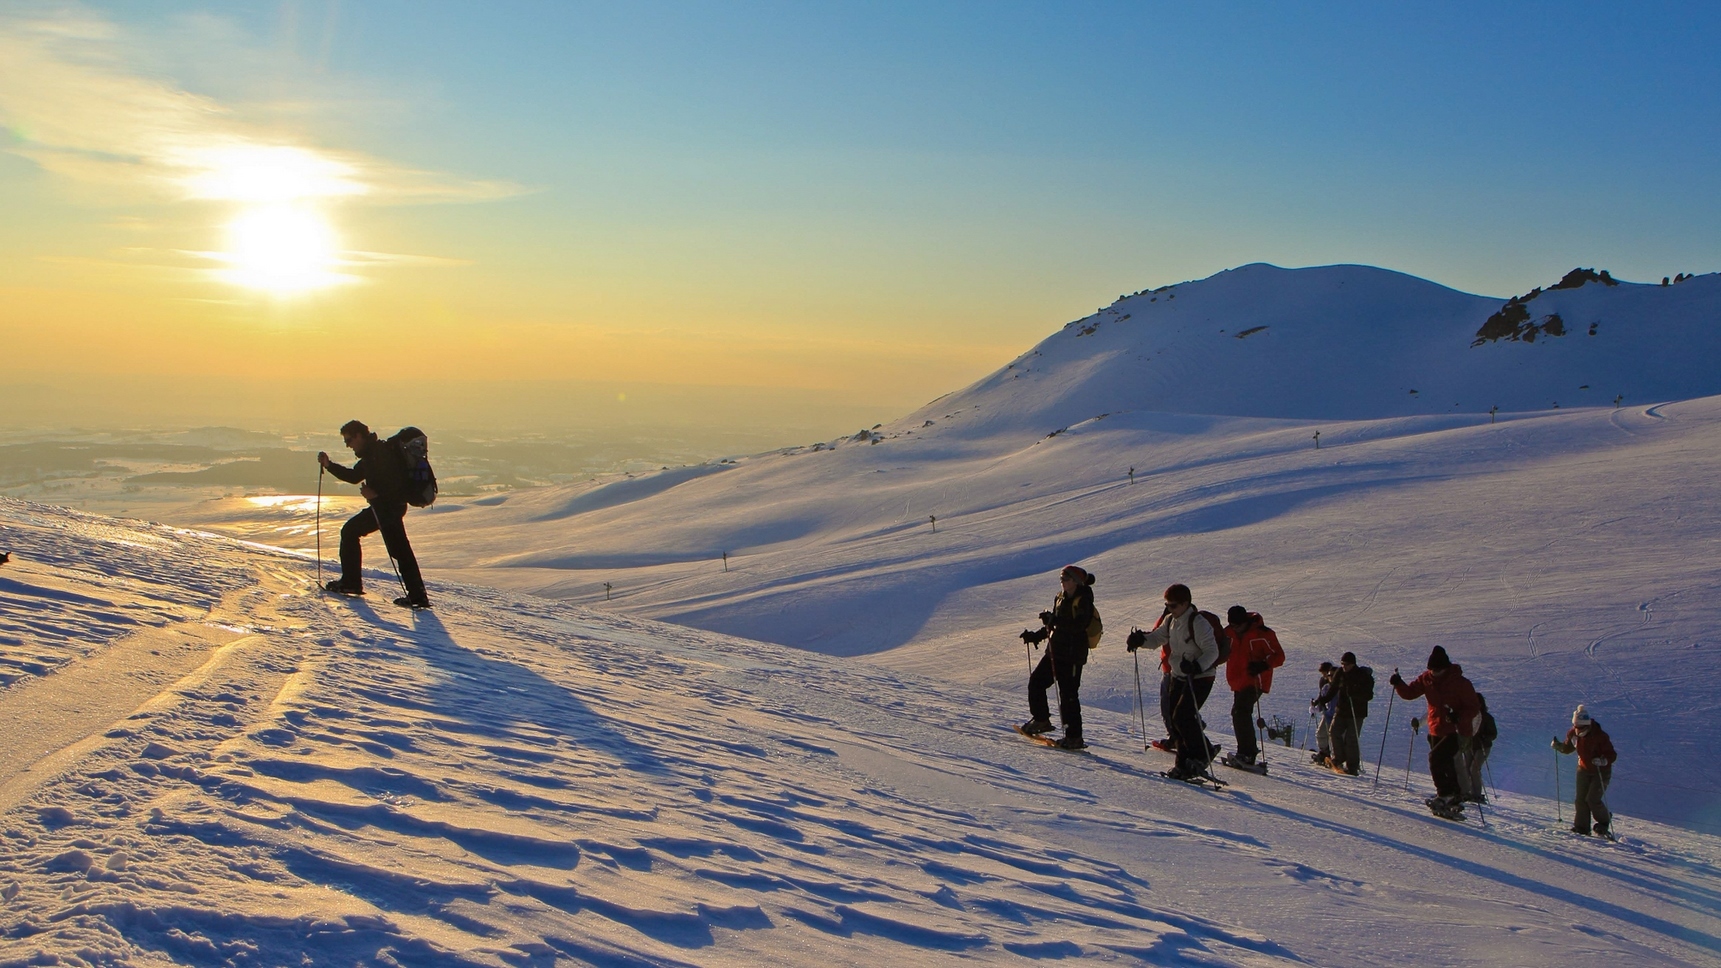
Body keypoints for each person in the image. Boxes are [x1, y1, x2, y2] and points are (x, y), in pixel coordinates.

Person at [318, 420, 431, 609]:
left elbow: (395, 485)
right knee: (398, 550)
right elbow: (355, 476)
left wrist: (375, 496)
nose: (348, 445)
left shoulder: (379, 455)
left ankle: (352, 583)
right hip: (387, 507)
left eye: (349, 440)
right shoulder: (374, 454)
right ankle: (417, 596)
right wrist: (329, 465)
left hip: (387, 508)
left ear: (359, 436)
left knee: (354, 533)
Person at [1127, 584, 1219, 780]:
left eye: (1174, 605)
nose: (1169, 609)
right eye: (1167, 605)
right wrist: (1140, 640)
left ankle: (1203, 753)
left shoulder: (1198, 623)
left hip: (1200, 677)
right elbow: (1157, 638)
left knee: (1183, 716)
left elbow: (1213, 651)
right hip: (1178, 675)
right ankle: (1184, 763)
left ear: (1186, 603)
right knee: (1174, 718)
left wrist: (1197, 666)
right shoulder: (1170, 620)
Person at [1390, 646, 1480, 815]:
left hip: (1457, 730)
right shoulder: (1427, 679)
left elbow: (1474, 707)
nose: (1434, 673)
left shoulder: (1460, 683)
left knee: (1435, 758)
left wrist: (1458, 716)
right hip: (1436, 729)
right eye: (1431, 670)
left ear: (1446, 668)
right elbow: (1410, 693)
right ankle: (1454, 796)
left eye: (1437, 670)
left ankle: (1444, 794)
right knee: (1446, 763)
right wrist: (1398, 683)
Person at [1019, 565, 1096, 750]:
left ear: (1075, 582)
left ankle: (1074, 737)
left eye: (1066, 579)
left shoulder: (1084, 599)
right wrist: (1037, 635)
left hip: (1072, 655)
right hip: (1055, 650)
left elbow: (1078, 626)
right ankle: (1041, 719)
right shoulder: (1060, 597)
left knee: (1068, 695)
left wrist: (1053, 620)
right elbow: (1056, 625)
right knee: (1036, 682)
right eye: (1061, 579)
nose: (1062, 582)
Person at [1222, 606, 1285, 768]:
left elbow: (1279, 656)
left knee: (1240, 711)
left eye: (1238, 625)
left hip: (1256, 680)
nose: (1235, 628)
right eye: (1232, 625)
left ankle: (1248, 753)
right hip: (1237, 680)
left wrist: (1263, 664)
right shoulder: (1228, 632)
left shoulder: (1263, 633)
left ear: (1245, 621)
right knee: (1238, 712)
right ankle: (1244, 752)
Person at [1553, 704, 1616, 837]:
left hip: (1601, 771)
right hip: (1583, 769)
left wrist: (1603, 760)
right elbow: (1567, 748)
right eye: (1576, 726)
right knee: (1580, 799)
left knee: (1592, 799)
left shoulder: (1600, 736)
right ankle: (1581, 827)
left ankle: (1604, 822)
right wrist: (1557, 746)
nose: (1577, 730)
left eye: (1580, 727)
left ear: (1587, 725)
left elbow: (1611, 755)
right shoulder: (1573, 733)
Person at [1329, 652, 1375, 776]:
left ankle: (1352, 766)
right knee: (1334, 731)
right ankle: (1338, 758)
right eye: (1342, 664)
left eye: (1346, 664)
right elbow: (1333, 689)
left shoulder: (1362, 676)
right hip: (1341, 710)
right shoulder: (1340, 673)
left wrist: (1354, 694)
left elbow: (1369, 695)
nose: (1344, 667)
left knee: (1351, 739)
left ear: (1353, 664)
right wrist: (1321, 700)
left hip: (1357, 712)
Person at [1458, 694, 1498, 802]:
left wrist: (1485, 737)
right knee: (1466, 768)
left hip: (1482, 746)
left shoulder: (1487, 718)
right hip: (1470, 745)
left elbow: (1493, 734)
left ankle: (1476, 794)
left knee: (1474, 769)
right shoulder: (1468, 716)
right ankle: (1467, 792)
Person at [1310, 662, 1337, 765]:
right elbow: (1322, 695)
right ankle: (1325, 753)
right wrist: (1317, 704)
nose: (1325, 676)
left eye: (1326, 673)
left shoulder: (1338, 683)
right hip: (1328, 712)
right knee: (1321, 733)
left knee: (1334, 736)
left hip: (1337, 713)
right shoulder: (1324, 683)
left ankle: (1336, 757)